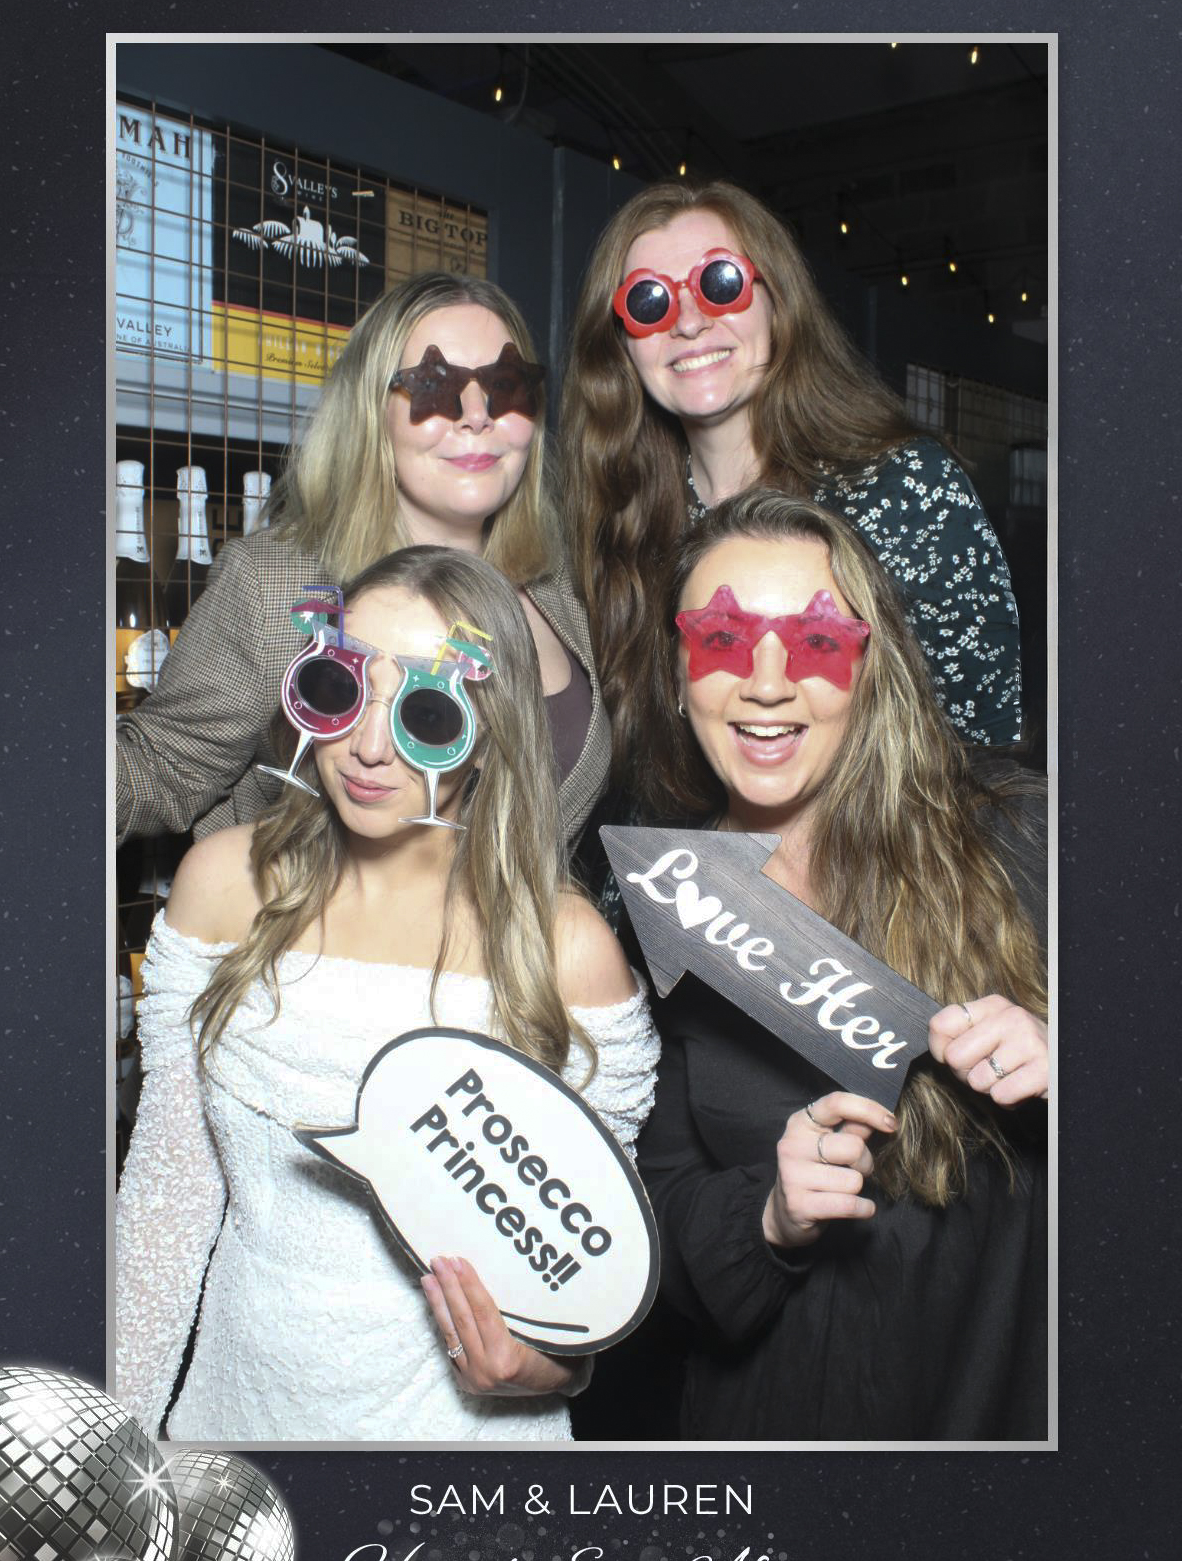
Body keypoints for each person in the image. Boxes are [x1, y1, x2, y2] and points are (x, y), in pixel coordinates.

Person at [114, 547, 658, 1443]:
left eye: (427, 711)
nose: (367, 746)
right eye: (339, 689)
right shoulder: (223, 885)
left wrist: (550, 1367)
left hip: (460, 1477)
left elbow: (594, 1269)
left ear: (491, 729)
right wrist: (105, 1469)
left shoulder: (563, 952)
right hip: (234, 1441)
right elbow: (165, 1211)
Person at [630, 490, 1047, 1441]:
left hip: (1001, 1413)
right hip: (777, 1440)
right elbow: (657, 1220)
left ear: (874, 666)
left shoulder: (1027, 839)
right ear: (678, 668)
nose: (765, 684)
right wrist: (769, 1217)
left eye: (816, 644)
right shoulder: (670, 897)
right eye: (724, 641)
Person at [561, 179, 1023, 796]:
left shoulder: (905, 488)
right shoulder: (625, 517)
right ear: (621, 343)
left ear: (778, 301)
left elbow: (981, 752)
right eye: (650, 302)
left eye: (719, 284)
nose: (691, 323)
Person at [118, 274, 608, 853]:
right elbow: (159, 768)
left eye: (505, 385)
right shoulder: (276, 585)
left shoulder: (559, 586)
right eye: (433, 384)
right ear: (372, 411)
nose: (477, 415)